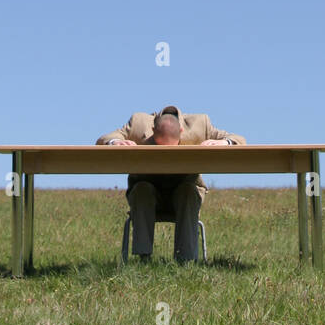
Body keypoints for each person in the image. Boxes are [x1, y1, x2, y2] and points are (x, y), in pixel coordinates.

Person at [96, 104, 246, 262]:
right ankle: (143, 258)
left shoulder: (200, 124)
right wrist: (115, 142)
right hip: (148, 194)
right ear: (153, 131)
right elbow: (103, 139)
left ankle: (186, 261)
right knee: (142, 190)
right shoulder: (139, 123)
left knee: (187, 191)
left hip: (184, 195)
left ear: (181, 131)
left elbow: (240, 140)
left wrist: (225, 143)